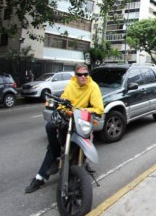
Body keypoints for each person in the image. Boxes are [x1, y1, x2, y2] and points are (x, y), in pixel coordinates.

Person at [25, 63, 104, 193]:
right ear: (75, 75)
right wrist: (64, 109)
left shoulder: (93, 86)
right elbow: (62, 102)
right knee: (50, 126)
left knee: (83, 141)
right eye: (80, 74)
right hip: (69, 118)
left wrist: (79, 110)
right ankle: (41, 176)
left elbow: (99, 108)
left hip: (82, 120)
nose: (83, 77)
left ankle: (77, 166)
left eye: (85, 74)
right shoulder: (70, 85)